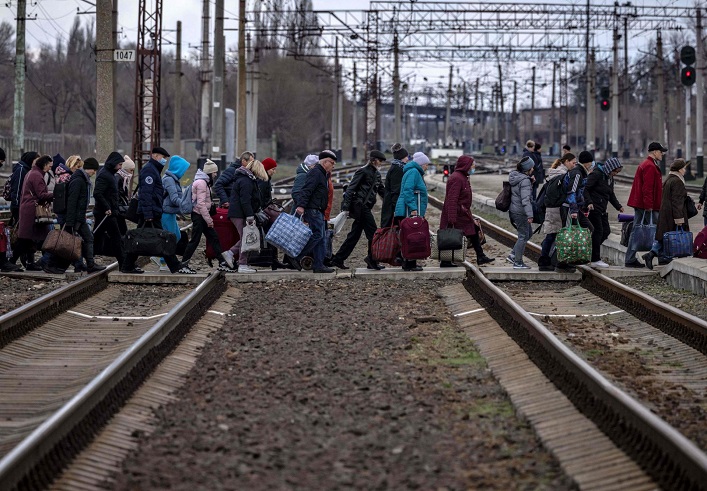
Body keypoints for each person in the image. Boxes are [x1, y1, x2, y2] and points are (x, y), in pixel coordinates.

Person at [122, 146, 183, 274]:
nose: (164, 160)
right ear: (155, 156)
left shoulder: (153, 169)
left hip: (152, 211)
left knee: (140, 237)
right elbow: (146, 194)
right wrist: (148, 213)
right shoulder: (150, 170)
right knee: (161, 238)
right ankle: (175, 266)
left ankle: (127, 265)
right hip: (149, 212)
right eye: (163, 157)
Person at [330, 149, 386, 270]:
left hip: (366, 207)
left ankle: (338, 259)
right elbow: (350, 189)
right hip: (361, 207)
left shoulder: (377, 174)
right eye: (380, 161)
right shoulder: (362, 171)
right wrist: (345, 207)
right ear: (373, 160)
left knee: (354, 235)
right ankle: (372, 260)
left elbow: (382, 191)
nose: (381, 163)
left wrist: (393, 199)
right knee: (374, 233)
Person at [181, 160, 235, 273]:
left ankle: (222, 262)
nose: (215, 175)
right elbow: (200, 204)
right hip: (199, 216)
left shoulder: (204, 182)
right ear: (210, 172)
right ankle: (183, 264)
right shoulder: (201, 183)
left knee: (214, 238)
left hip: (202, 216)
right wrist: (209, 219)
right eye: (214, 172)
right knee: (195, 240)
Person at [440, 155, 494, 266]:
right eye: (472, 165)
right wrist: (451, 218)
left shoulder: (463, 177)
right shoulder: (457, 178)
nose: (473, 167)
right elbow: (452, 199)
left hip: (463, 213)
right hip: (457, 213)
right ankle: (445, 261)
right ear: (466, 166)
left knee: (473, 230)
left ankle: (480, 256)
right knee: (450, 236)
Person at [291, 150, 337, 274]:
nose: (333, 166)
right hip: (313, 209)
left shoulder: (322, 174)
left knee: (321, 238)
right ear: (325, 162)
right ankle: (297, 256)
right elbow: (307, 190)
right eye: (332, 163)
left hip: (318, 210)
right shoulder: (316, 173)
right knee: (317, 235)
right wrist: (301, 206)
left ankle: (318, 265)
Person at [643, 159, 691, 269]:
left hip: (666, 213)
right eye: (684, 168)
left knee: (665, 237)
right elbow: (677, 201)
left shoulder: (669, 179)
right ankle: (652, 255)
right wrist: (679, 219)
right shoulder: (677, 181)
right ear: (679, 170)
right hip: (672, 215)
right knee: (670, 237)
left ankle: (660, 257)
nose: (684, 170)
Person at [223, 159, 268, 273]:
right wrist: (249, 216)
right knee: (246, 238)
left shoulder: (246, 179)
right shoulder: (246, 181)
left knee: (246, 237)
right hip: (240, 214)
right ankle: (240, 263)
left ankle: (237, 258)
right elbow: (245, 201)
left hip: (240, 213)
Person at [624, 142, 665, 268]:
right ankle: (661, 256)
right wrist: (649, 206)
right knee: (660, 229)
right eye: (660, 151)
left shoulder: (648, 164)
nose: (662, 154)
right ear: (654, 152)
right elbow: (647, 188)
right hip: (646, 206)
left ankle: (631, 259)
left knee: (637, 230)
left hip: (643, 204)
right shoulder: (649, 166)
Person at [63, 156, 106, 273]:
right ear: (90, 169)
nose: (94, 173)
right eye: (94, 170)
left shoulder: (81, 179)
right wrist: (70, 222)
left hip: (79, 217)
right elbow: (72, 202)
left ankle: (86, 264)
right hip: (76, 217)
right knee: (72, 241)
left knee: (85, 239)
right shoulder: (79, 180)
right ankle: (47, 262)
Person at [14, 155, 54, 271]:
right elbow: (41, 195)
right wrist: (56, 195)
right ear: (45, 164)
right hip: (33, 211)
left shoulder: (32, 173)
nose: (50, 169)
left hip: (29, 209)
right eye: (49, 166)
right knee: (27, 238)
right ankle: (12, 262)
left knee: (29, 238)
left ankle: (31, 263)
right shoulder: (37, 176)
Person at [93, 152, 132, 271]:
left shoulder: (109, 174)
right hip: (105, 213)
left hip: (107, 212)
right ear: (113, 163)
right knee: (116, 238)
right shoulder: (105, 175)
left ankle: (86, 260)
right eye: (119, 164)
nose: (120, 167)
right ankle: (124, 265)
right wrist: (107, 208)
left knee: (96, 238)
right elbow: (97, 193)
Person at [537, 153, 575, 271]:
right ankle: (545, 262)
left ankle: (548, 261)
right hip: (556, 208)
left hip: (551, 208)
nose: (574, 165)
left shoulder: (555, 172)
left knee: (552, 235)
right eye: (573, 162)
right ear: (567, 161)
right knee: (552, 236)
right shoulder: (562, 175)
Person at [584, 157, 624, 268]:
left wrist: (618, 206)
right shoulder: (596, 174)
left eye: (617, 172)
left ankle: (590, 252)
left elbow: (610, 194)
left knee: (606, 231)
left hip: (602, 209)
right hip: (593, 208)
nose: (615, 174)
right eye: (614, 171)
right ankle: (595, 258)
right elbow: (585, 189)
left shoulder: (609, 178)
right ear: (609, 168)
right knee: (598, 232)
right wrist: (589, 202)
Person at [395, 151, 430, 272]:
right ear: (420, 164)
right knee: (412, 235)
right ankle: (410, 263)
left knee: (409, 235)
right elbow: (407, 190)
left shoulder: (413, 171)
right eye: (426, 164)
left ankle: (409, 262)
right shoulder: (414, 172)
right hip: (409, 209)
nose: (427, 167)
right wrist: (413, 208)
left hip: (410, 208)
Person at [153, 155, 190, 271]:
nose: (184, 173)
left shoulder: (173, 179)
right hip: (166, 213)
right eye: (183, 170)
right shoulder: (169, 180)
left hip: (171, 213)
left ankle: (162, 259)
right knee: (170, 238)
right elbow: (174, 198)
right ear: (178, 169)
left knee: (177, 236)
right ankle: (162, 261)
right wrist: (185, 205)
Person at [257, 157, 291, 271]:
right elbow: (261, 198)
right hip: (265, 213)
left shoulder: (265, 179)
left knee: (272, 235)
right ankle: (273, 261)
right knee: (271, 235)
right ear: (267, 168)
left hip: (265, 212)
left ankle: (274, 261)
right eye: (273, 169)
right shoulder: (263, 180)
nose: (274, 171)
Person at [507, 156, 535, 269]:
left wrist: (530, 182)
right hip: (521, 212)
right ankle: (518, 262)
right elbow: (525, 199)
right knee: (523, 236)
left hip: (514, 209)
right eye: (532, 167)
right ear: (528, 168)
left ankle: (513, 254)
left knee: (528, 234)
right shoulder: (524, 181)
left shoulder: (517, 177)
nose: (533, 169)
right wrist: (530, 215)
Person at [381, 143, 409, 228]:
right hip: (392, 206)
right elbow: (396, 190)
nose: (407, 159)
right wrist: (396, 209)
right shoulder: (397, 169)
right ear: (401, 157)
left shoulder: (397, 167)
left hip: (392, 204)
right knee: (391, 229)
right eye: (406, 157)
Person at [115, 155, 135, 235]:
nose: (132, 173)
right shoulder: (119, 178)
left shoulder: (122, 178)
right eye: (131, 170)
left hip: (119, 209)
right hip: (118, 209)